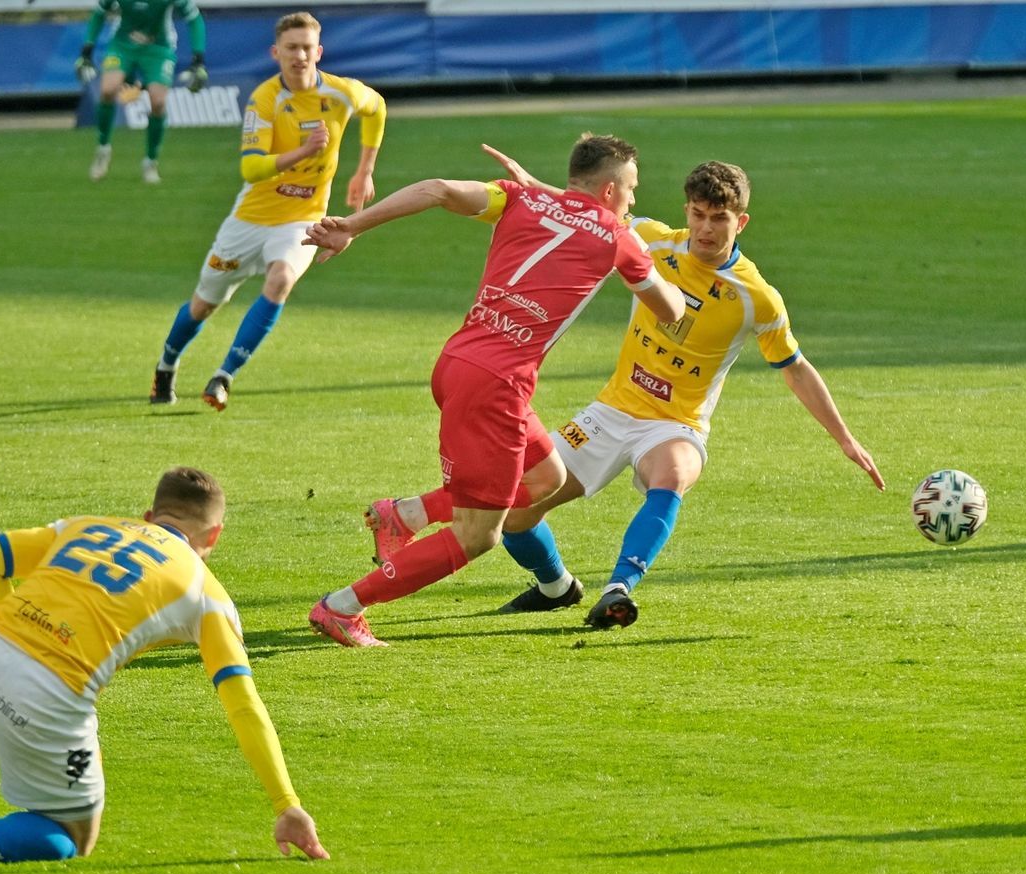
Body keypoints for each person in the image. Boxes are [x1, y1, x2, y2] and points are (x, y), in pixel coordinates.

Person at [379, 156, 887, 630]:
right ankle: (554, 586)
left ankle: (619, 587)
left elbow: (795, 369)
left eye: (720, 219)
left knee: (672, 474)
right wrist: (534, 186)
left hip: (676, 424)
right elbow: (583, 213)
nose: (707, 229)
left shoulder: (757, 297)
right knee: (517, 511)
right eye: (699, 215)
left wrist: (844, 438)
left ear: (741, 222)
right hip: (609, 412)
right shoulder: (648, 238)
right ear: (687, 211)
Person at [0, 466, 329, 870]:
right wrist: (287, 803)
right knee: (73, 835)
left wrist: (19, 627)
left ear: (149, 515)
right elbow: (243, 705)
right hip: (51, 688)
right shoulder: (207, 594)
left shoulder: (84, 526)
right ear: (214, 537)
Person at [302, 136, 685, 648]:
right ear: (611, 188)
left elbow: (437, 189)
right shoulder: (619, 236)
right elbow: (672, 311)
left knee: (547, 476)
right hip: (497, 386)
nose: (634, 201)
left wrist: (350, 225)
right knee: (478, 535)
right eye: (632, 190)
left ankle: (405, 515)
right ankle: (342, 607)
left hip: (459, 360)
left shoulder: (518, 196)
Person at [149, 11, 385, 411]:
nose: (300, 55)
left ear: (319, 51)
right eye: (291, 48)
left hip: (302, 218)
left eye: (307, 47)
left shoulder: (341, 93)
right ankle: (166, 367)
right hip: (250, 220)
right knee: (204, 304)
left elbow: (376, 107)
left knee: (281, 279)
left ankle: (223, 377)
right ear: (276, 52)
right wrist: (303, 152)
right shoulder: (265, 99)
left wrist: (365, 169)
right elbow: (251, 167)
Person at [77, 0, 208, 184]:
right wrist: (87, 50)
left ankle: (150, 162)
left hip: (158, 48)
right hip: (123, 45)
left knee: (158, 102)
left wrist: (198, 59)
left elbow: (194, 18)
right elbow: (99, 13)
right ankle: (103, 148)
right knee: (107, 90)